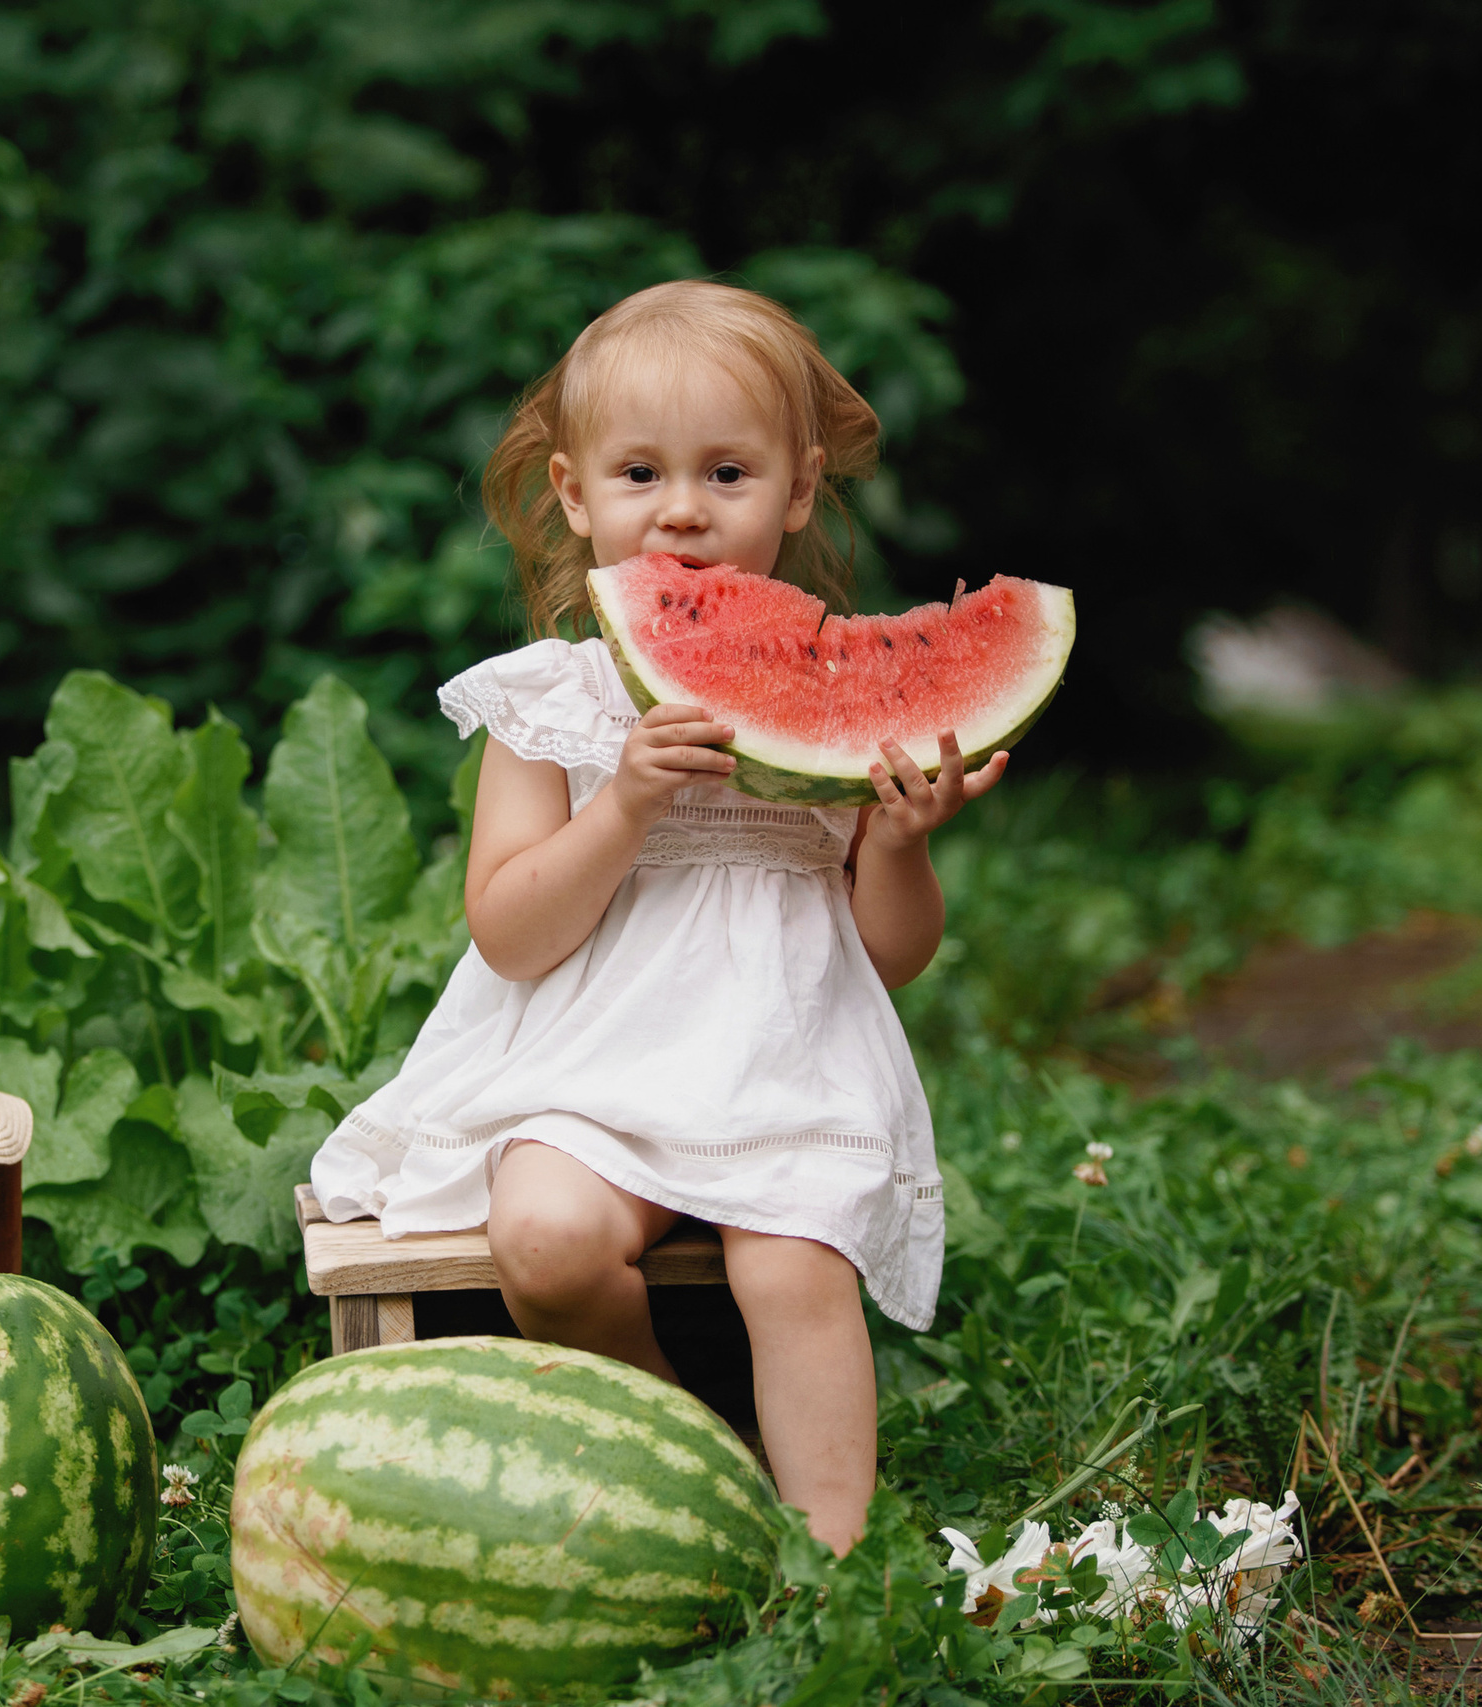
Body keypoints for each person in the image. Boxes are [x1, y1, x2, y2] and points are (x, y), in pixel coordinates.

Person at [309, 279, 1006, 1552]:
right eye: (640, 473)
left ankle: (834, 1560)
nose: (682, 508)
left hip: (785, 1066)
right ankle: (701, 1473)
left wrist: (898, 845)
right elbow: (510, 932)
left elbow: (892, 956)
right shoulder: (548, 704)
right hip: (592, 1070)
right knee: (544, 1239)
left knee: (791, 1268)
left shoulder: (838, 702)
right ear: (574, 495)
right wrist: (622, 804)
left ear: (797, 492)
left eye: (726, 472)